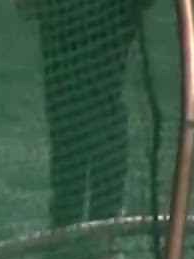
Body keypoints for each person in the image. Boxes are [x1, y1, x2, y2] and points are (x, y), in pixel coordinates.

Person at [14, 0, 149, 229]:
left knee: (89, 104)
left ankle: (94, 220)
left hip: (94, 19)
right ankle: (85, 220)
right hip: (73, 22)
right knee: (78, 106)